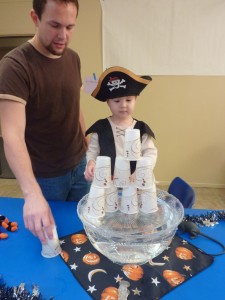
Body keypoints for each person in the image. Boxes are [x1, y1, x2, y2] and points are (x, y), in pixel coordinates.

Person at [0, 0, 90, 244]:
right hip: (47, 177)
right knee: (51, 242)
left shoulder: (73, 58)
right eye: (54, 25)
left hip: (80, 164)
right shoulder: (15, 66)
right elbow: (12, 135)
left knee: (80, 230)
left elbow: (75, 107)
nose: (63, 36)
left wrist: (88, 146)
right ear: (35, 18)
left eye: (70, 27)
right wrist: (31, 193)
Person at [84, 66, 157, 181]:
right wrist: (91, 163)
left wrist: (141, 170)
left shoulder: (141, 129)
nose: (123, 105)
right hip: (108, 182)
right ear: (108, 103)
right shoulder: (101, 127)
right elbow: (93, 151)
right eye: (117, 101)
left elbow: (150, 153)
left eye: (128, 100)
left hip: (135, 182)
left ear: (135, 100)